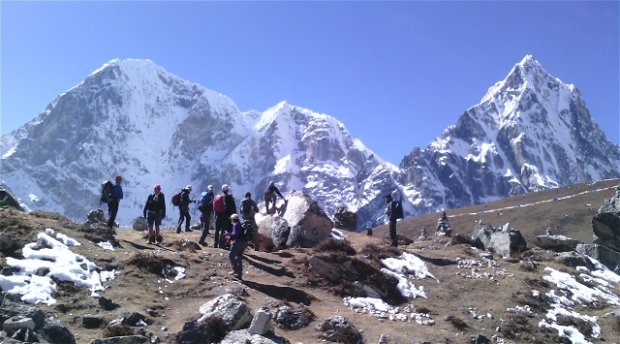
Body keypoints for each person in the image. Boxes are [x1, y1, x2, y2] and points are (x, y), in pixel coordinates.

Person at [214, 184, 236, 249]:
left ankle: (215, 244)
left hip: (218, 215)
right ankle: (222, 244)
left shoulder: (219, 197)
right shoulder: (229, 197)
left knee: (217, 230)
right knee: (224, 230)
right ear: (228, 189)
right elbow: (232, 208)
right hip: (225, 216)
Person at [227, 213, 248, 280]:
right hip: (244, 243)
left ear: (233, 219)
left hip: (239, 242)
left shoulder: (235, 225)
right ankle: (239, 275)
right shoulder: (241, 224)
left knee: (231, 255)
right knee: (238, 257)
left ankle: (235, 270)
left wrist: (228, 234)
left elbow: (235, 235)